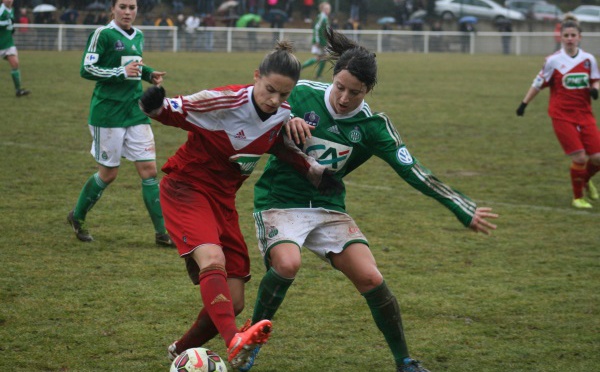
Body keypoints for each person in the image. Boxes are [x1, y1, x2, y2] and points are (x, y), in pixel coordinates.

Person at [243, 28, 499, 372]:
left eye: (356, 92)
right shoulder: (301, 94)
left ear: (369, 91)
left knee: (371, 278)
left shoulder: (374, 127)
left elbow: (414, 171)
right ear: (332, 78)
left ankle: (404, 360)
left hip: (327, 208)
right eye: (340, 87)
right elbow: (255, 107)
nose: (344, 98)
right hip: (279, 202)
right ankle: (250, 344)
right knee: (288, 265)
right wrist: (287, 121)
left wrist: (461, 208)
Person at [137, 40, 342, 369]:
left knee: (232, 302)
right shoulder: (225, 100)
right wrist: (154, 105)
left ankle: (179, 351)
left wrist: (313, 171)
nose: (275, 100)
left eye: (284, 95)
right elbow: (172, 110)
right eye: (270, 90)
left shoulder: (281, 116)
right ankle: (235, 342)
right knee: (212, 258)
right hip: (186, 188)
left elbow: (280, 147)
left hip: (223, 202)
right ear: (256, 76)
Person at [67, 0, 174, 247]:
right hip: (107, 114)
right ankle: (78, 216)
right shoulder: (102, 34)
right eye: (123, 7)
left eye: (132, 7)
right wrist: (120, 72)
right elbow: (87, 68)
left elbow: (132, 63)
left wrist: (148, 74)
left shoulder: (139, 35)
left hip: (135, 111)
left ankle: (161, 233)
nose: (128, 12)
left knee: (149, 171)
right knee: (109, 173)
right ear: (113, 9)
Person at [516, 14, 600, 209]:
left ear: (580, 37)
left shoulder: (588, 59)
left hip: (585, 114)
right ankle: (577, 197)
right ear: (560, 38)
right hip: (561, 115)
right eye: (566, 35)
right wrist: (524, 103)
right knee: (579, 157)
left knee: (597, 157)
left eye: (573, 35)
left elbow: (595, 78)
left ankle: (585, 180)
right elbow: (538, 83)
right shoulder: (553, 61)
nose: (570, 38)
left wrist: (595, 88)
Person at [0, 0, 30, 97]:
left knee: (15, 64)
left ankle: (18, 90)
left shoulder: (11, 9)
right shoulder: (1, 10)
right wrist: (7, 22)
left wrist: (11, 28)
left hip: (8, 43)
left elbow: (10, 23)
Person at [301, 1, 330, 80]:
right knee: (322, 57)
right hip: (320, 41)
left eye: (329, 8)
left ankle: (315, 74)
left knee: (321, 58)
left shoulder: (324, 17)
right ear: (322, 9)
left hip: (323, 41)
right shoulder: (322, 17)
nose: (328, 10)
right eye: (327, 8)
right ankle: (317, 75)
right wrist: (317, 40)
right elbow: (316, 28)